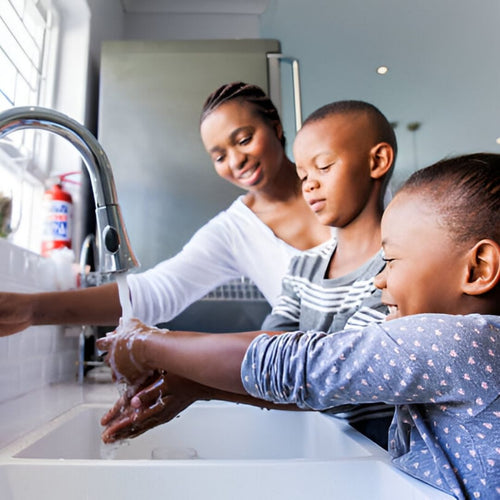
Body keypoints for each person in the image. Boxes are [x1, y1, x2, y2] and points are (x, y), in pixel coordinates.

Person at [97, 153, 500, 500]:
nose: (379, 279)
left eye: (391, 260)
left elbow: (303, 366)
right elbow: (330, 387)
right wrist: (201, 385)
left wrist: (145, 343)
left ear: (478, 268)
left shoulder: (462, 340)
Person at [99, 100, 398, 447]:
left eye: (324, 167)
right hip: (336, 451)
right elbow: (271, 363)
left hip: (390, 464)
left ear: (377, 161)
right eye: (303, 175)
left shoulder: (398, 269)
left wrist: (152, 345)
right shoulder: (303, 270)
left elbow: (327, 371)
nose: (309, 185)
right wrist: (194, 385)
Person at [0, 82, 332, 335]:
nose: (236, 160)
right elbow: (155, 292)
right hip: (332, 399)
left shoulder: (338, 180)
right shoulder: (233, 231)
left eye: (244, 140)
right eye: (219, 156)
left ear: (275, 128)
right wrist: (32, 309)